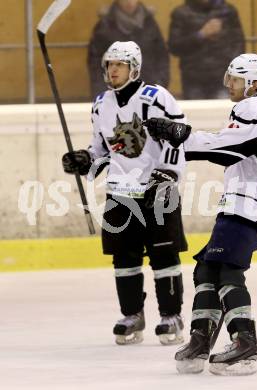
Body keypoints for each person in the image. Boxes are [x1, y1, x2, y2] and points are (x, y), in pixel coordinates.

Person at [144, 53, 257, 375]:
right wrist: (178, 136)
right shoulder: (253, 109)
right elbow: (233, 146)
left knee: (226, 270)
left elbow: (234, 147)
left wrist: (182, 135)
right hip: (245, 204)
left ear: (254, 83)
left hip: (250, 205)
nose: (229, 85)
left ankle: (244, 344)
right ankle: (201, 338)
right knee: (206, 269)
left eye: (235, 79)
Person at [62, 41, 187, 346]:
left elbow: (179, 137)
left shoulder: (156, 98)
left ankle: (171, 316)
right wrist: (85, 159)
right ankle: (132, 314)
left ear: (134, 67)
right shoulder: (101, 104)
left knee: (163, 254)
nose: (113, 70)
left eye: (119, 64)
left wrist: (168, 173)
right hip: (121, 191)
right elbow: (103, 149)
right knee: (124, 257)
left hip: (158, 188)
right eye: (109, 64)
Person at [87, 0, 169, 99]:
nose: (129, 2)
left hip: (148, 89)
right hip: (115, 92)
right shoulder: (104, 25)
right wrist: (102, 92)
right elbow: (95, 62)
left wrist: (160, 84)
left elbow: (162, 55)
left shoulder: (149, 23)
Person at [168, 0, 245, 99]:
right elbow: (175, 47)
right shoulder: (181, 13)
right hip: (194, 79)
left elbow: (238, 42)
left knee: (223, 112)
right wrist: (201, 35)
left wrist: (234, 69)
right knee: (196, 113)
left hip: (223, 76)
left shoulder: (228, 11)